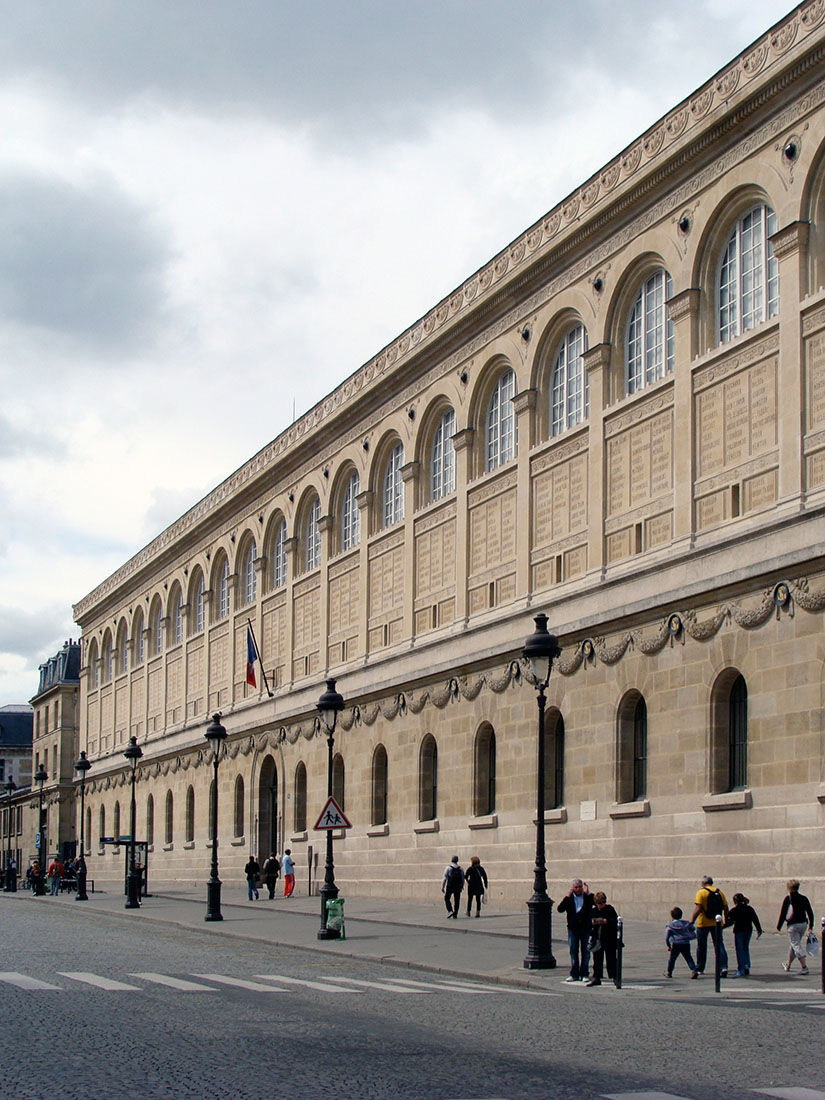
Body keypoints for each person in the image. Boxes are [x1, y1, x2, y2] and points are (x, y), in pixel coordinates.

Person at [691, 875, 729, 977]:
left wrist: (692, 921)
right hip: (717, 923)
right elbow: (725, 908)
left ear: (703, 883)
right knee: (719, 945)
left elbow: (698, 908)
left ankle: (700, 968)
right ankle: (723, 967)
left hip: (703, 923)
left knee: (701, 946)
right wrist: (725, 920)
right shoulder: (719, 892)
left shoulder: (701, 893)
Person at [557, 879, 594, 982]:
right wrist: (567, 897)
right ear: (572, 888)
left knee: (586, 952)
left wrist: (588, 893)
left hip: (585, 929)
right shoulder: (569, 899)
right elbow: (560, 909)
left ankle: (585, 973)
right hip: (573, 929)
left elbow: (595, 902)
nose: (578, 889)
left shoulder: (587, 897)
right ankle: (574, 973)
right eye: (576, 887)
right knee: (573, 952)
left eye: (580, 887)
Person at [777, 879, 814, 975]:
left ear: (789, 888)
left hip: (793, 926)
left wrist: (779, 926)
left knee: (796, 945)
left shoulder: (788, 899)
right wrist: (811, 924)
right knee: (794, 944)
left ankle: (804, 967)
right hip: (803, 924)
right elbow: (810, 912)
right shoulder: (804, 898)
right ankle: (788, 965)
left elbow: (783, 913)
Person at [586, 891, 618, 986]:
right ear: (596, 903)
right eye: (600, 903)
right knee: (597, 959)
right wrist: (593, 923)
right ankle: (597, 977)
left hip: (609, 937)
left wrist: (606, 921)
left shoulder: (609, 909)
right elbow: (588, 923)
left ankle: (614, 977)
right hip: (597, 938)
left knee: (611, 958)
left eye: (604, 902)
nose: (602, 904)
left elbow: (615, 921)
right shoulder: (594, 911)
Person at [728, 892, 762, 977]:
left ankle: (741, 969)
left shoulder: (734, 910)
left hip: (739, 931)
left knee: (739, 949)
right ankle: (747, 965)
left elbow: (730, 922)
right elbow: (755, 919)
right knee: (745, 948)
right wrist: (759, 929)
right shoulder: (749, 908)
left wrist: (721, 927)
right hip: (748, 930)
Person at [664, 906, 699, 978]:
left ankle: (669, 972)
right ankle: (694, 970)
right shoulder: (686, 923)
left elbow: (667, 936)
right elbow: (692, 928)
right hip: (685, 943)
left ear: (672, 916)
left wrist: (668, 945)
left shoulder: (670, 926)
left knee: (672, 959)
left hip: (676, 943)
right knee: (688, 957)